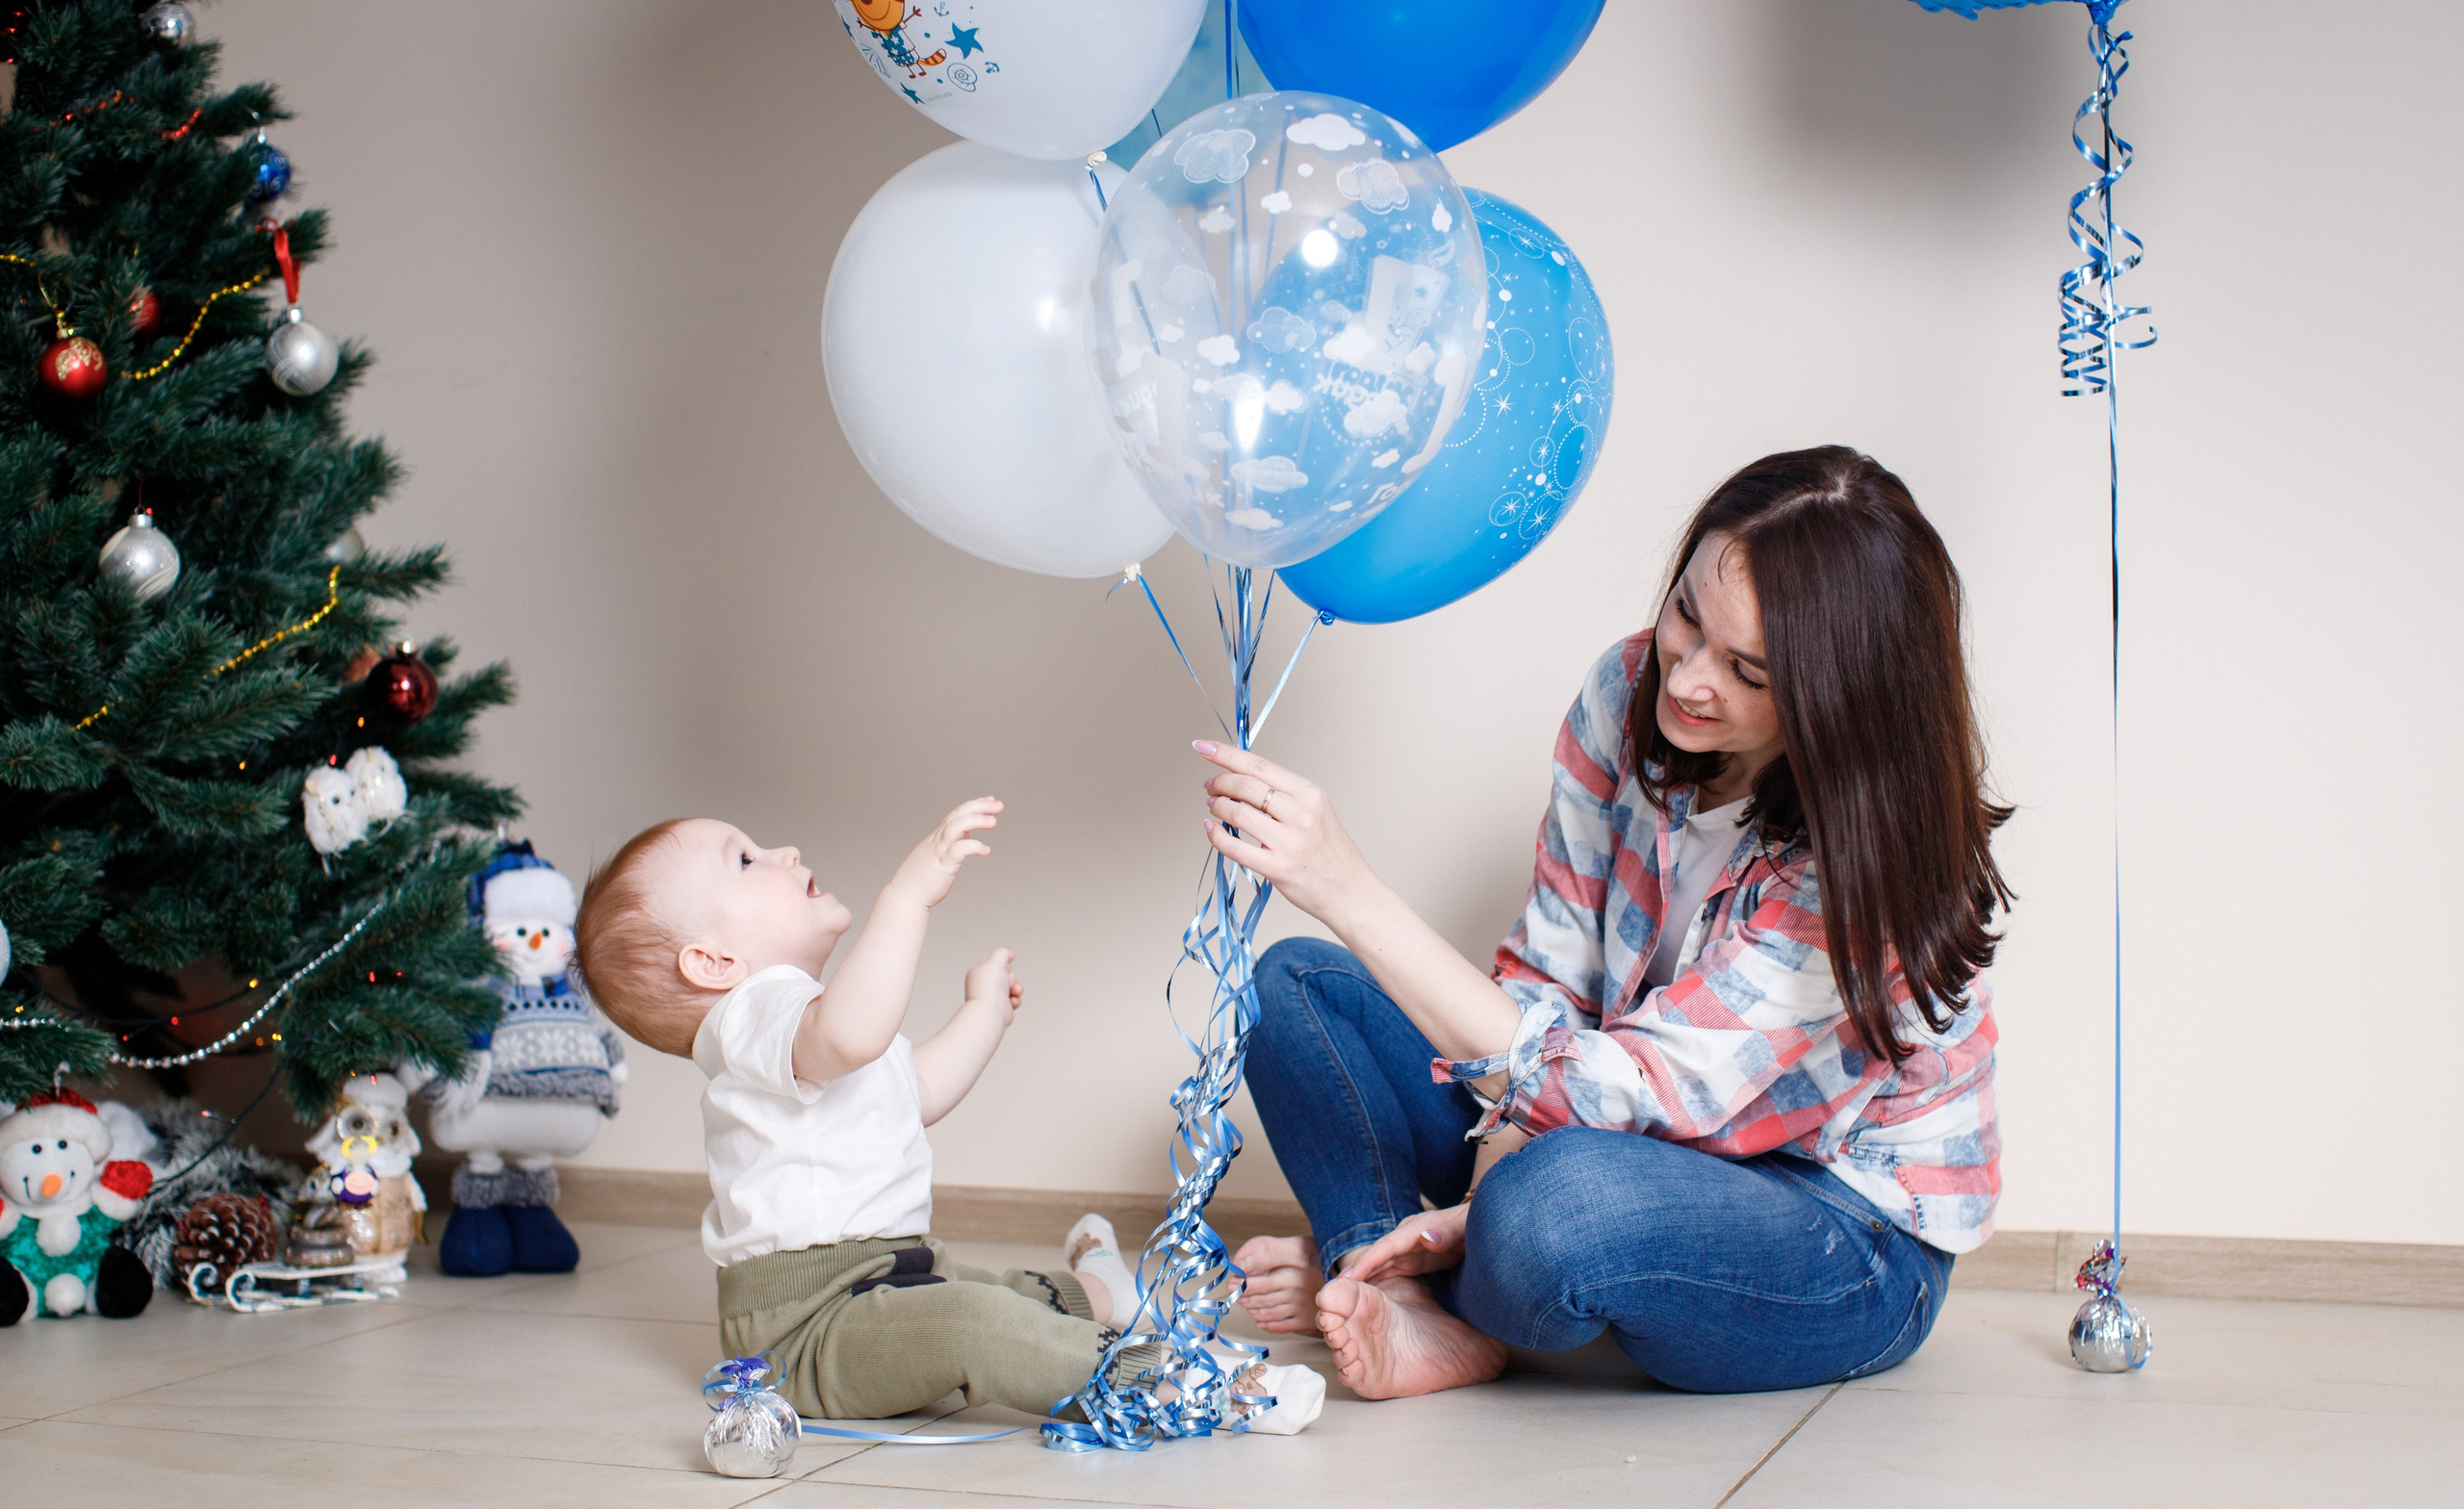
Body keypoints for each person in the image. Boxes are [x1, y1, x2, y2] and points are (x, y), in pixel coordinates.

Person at [1211, 446, 2010, 1400]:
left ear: (1837, 700)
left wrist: (1349, 889)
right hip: (1594, 1124)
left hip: (1840, 1227)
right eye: (1686, 616)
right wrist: (1493, 1164)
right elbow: (1544, 977)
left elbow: (1650, 1094)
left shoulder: (1868, 871)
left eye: (1747, 671)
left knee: (1549, 1211)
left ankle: (1431, 1271)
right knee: (1293, 987)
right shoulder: (1625, 692)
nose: (1688, 679)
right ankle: (1388, 1286)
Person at [573, 801, 1322, 1433]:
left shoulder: (802, 1033)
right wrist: (904, 898)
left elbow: (916, 1090)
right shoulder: (753, 1020)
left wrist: (981, 1014)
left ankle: (1105, 1294)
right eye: (745, 861)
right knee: (974, 1322)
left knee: (997, 1296)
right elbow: (853, 1030)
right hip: (812, 1329)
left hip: (890, 1281)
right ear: (713, 964)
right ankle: (1185, 1387)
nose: (784, 850)